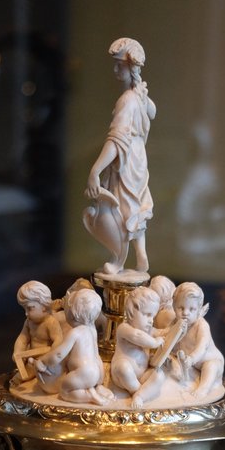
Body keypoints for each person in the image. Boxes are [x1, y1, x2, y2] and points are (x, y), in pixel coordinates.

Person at [83, 37, 156, 275]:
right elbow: (152, 112)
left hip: (126, 158)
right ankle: (141, 253)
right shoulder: (137, 96)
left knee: (122, 209)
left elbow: (116, 140)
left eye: (120, 66)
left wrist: (95, 170)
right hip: (138, 156)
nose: (115, 70)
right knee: (134, 204)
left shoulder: (127, 99)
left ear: (132, 68)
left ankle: (118, 259)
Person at [35, 287, 112, 404]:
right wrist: (99, 379)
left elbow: (59, 354)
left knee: (64, 391)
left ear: (72, 314)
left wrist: (43, 361)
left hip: (83, 371)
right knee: (83, 382)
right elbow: (96, 354)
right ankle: (95, 388)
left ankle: (90, 396)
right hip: (96, 371)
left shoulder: (75, 332)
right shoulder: (92, 330)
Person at [167, 281, 225, 401]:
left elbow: (202, 347)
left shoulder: (201, 326)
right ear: (173, 307)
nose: (185, 313)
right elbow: (168, 337)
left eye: (192, 309)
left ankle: (203, 389)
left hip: (207, 360)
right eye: (181, 308)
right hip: (189, 362)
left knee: (211, 366)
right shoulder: (175, 323)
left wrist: (192, 358)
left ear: (199, 310)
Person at [110, 287, 162, 405]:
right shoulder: (124, 328)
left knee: (159, 375)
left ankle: (140, 395)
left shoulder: (149, 330)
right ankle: (137, 391)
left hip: (141, 375)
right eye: (147, 315)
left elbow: (161, 333)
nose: (151, 321)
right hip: (122, 376)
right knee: (124, 368)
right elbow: (137, 336)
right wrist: (155, 342)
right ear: (133, 310)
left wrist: (175, 330)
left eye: (153, 316)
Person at [12, 280, 63, 382]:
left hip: (45, 362)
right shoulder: (29, 322)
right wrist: (17, 351)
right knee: (17, 379)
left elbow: (58, 341)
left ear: (44, 306)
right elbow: (22, 339)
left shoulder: (51, 322)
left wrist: (50, 359)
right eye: (24, 309)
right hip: (30, 360)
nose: (26, 313)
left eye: (30, 308)